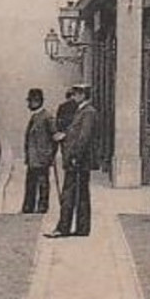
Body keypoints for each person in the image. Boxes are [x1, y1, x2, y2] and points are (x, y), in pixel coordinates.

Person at [50, 84, 98, 237]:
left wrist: (75, 156)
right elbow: (77, 133)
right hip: (78, 160)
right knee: (80, 194)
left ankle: (64, 228)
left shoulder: (88, 112)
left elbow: (84, 137)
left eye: (77, 93)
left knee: (69, 193)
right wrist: (65, 136)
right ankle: (81, 228)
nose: (74, 96)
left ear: (84, 95)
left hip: (78, 160)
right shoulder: (82, 111)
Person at [21, 87, 56, 214]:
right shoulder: (36, 117)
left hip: (41, 157)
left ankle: (42, 207)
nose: (29, 104)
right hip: (33, 158)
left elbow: (54, 136)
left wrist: (49, 154)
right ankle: (28, 207)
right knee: (30, 183)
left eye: (30, 102)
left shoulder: (47, 117)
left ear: (37, 101)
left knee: (42, 184)